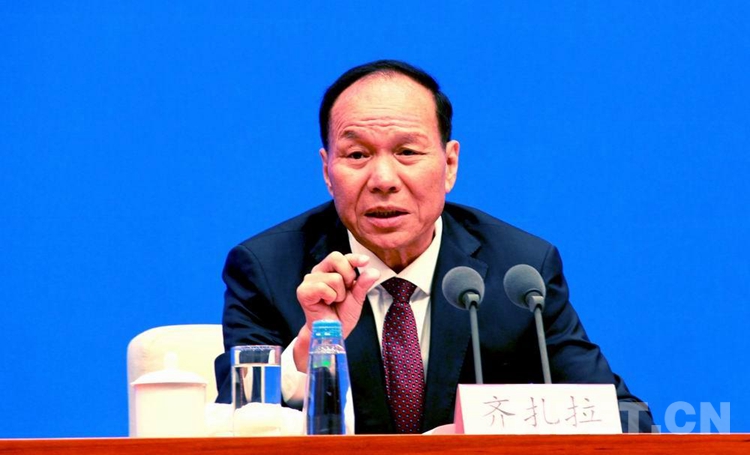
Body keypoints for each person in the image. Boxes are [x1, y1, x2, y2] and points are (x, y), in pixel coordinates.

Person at [214, 59, 654, 433]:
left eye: (407, 152)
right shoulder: (267, 268)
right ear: (328, 171)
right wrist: (311, 352)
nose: (383, 179)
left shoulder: (520, 272)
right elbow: (231, 423)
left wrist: (483, 432)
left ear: (449, 164)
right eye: (357, 155)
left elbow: (625, 417)